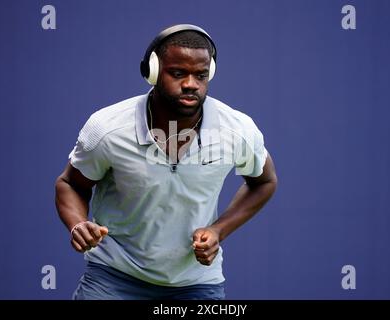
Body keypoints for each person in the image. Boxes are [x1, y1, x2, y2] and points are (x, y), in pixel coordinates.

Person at [55, 24, 277, 300]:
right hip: (112, 277)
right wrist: (78, 224)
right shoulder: (108, 128)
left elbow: (264, 181)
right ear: (153, 72)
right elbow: (70, 184)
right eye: (178, 73)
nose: (191, 84)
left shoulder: (237, 130)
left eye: (201, 75)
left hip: (197, 283)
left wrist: (218, 230)